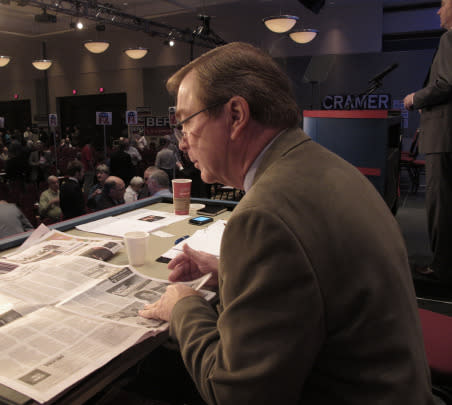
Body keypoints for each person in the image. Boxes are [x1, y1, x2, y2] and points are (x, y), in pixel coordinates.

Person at [139, 42, 433, 404]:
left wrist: (183, 306)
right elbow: (315, 278)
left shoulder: (263, 217)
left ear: (235, 115)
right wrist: (231, 271)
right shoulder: (328, 166)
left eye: (185, 122)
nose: (183, 144)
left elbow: (236, 394)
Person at [403, 0, 452, 283]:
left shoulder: (449, 38)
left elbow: (446, 83)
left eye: (443, 4)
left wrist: (416, 98)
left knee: (441, 205)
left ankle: (443, 269)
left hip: (442, 137)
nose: (437, 10)